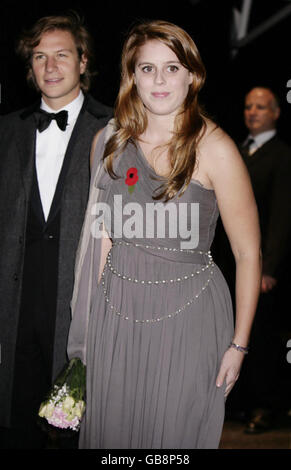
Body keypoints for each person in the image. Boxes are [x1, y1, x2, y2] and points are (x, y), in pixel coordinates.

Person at [67, 20, 261, 449]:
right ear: (131, 76)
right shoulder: (108, 143)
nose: (159, 80)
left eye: (172, 68)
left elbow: (248, 253)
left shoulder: (216, 148)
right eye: (147, 68)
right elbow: (101, 239)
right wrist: (89, 328)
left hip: (189, 320)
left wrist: (239, 346)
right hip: (116, 315)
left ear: (192, 75)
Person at [0, 13, 112, 449]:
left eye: (62, 55)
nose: (49, 67)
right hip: (14, 304)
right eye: (39, 57)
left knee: (76, 431)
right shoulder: (6, 130)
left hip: (81, 302)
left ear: (83, 61)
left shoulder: (117, 127)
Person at [230, 87, 291, 433]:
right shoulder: (238, 151)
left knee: (263, 337)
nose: (252, 112)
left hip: (261, 268)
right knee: (237, 334)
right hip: (232, 264)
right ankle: (239, 403)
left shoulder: (282, 155)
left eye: (261, 107)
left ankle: (267, 406)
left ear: (276, 112)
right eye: (248, 106)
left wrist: (269, 269)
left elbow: (283, 216)